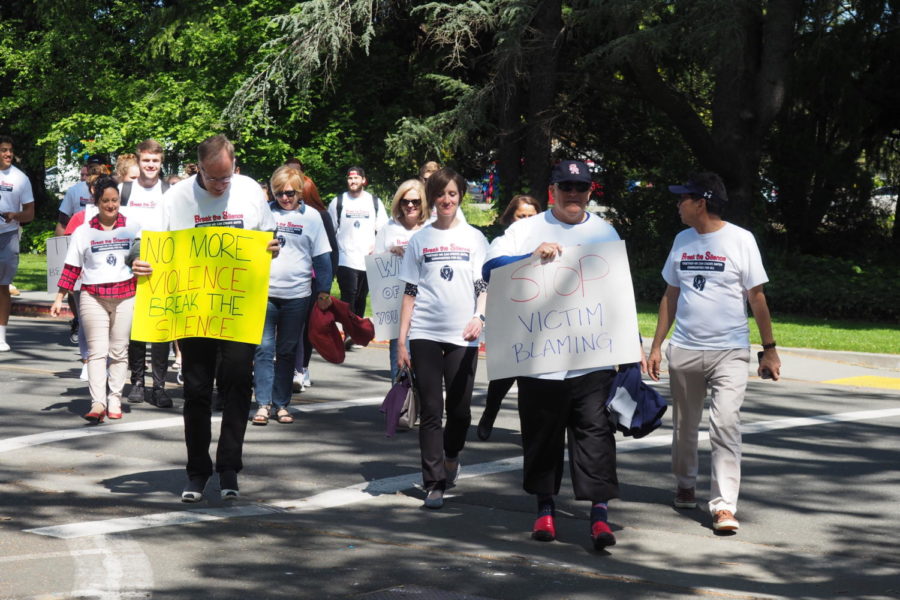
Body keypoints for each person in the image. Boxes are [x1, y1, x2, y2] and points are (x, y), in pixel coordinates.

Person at [483, 160, 638, 549]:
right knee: (542, 438)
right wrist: (529, 256)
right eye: (566, 186)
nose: (574, 193)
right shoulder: (525, 229)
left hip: (592, 361)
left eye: (581, 187)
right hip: (539, 361)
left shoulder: (604, 232)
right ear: (552, 189)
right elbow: (489, 266)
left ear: (590, 191)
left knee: (597, 437)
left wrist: (631, 353)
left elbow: (620, 293)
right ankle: (545, 509)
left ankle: (599, 516)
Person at [132, 134, 279, 503]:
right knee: (196, 390)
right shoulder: (176, 199)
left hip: (237, 310)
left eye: (227, 177)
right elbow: (144, 243)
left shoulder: (248, 191)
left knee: (236, 383)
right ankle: (197, 470)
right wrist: (134, 259)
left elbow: (269, 236)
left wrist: (274, 246)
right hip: (194, 311)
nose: (222, 185)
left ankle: (229, 467)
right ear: (198, 169)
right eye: (214, 179)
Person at [647, 172, 781, 533]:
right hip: (686, 349)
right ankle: (685, 482)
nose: (678, 205)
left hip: (730, 351)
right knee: (684, 426)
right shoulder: (681, 240)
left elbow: (757, 297)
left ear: (700, 202)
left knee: (725, 424)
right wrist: (657, 345)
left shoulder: (741, 240)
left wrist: (769, 351)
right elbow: (670, 295)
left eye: (682, 198)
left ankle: (724, 506)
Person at [397, 167, 488, 510]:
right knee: (432, 410)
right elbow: (409, 290)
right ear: (431, 198)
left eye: (452, 193)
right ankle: (434, 481)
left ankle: (452, 455)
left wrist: (480, 317)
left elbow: (483, 285)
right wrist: (403, 340)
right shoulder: (420, 240)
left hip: (463, 335)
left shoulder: (476, 238)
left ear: (460, 196)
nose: (446, 200)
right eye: (440, 194)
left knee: (460, 411)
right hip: (425, 332)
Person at [50, 176, 140, 422]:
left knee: (119, 351)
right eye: (105, 201)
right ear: (96, 202)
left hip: (126, 295)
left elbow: (142, 258)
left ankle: (115, 399)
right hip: (92, 296)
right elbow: (71, 268)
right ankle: (98, 402)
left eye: (115, 200)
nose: (111, 205)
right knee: (97, 352)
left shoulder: (133, 227)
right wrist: (59, 298)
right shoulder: (83, 231)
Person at [252, 166, 333, 426]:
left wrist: (323, 290)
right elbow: (247, 248)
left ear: (299, 192)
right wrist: (260, 247)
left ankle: (281, 404)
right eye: (278, 193)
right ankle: (263, 404)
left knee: (287, 351)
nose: (284, 198)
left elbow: (322, 257)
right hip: (265, 293)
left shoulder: (312, 217)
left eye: (289, 193)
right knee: (263, 350)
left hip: (297, 295)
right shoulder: (263, 214)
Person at [476, 194, 541, 440]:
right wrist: (531, 257)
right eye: (520, 216)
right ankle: (490, 412)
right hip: (509, 316)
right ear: (510, 218)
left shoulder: (550, 241)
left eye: (531, 217)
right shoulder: (502, 243)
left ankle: (531, 430)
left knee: (531, 377)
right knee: (505, 373)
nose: (525, 221)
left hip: (539, 320)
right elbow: (493, 267)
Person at [120, 140, 173, 408]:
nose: (150, 166)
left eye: (155, 161)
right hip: (130, 263)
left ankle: (159, 386)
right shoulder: (125, 190)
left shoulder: (170, 192)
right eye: (146, 161)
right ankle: (138, 381)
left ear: (161, 163)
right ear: (138, 162)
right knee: (135, 327)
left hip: (162, 263)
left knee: (161, 328)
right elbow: (114, 227)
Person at [375, 179, 430, 383]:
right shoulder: (388, 229)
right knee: (399, 361)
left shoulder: (431, 228)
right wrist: (389, 252)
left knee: (424, 363)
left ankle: (424, 407)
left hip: (427, 305)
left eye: (415, 201)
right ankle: (400, 408)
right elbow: (376, 264)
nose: (410, 206)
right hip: (397, 305)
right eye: (405, 202)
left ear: (423, 203)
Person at [327, 166, 388, 341]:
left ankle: (357, 330)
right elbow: (331, 231)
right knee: (349, 295)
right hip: (345, 257)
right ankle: (348, 332)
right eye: (349, 178)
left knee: (361, 296)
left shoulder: (374, 202)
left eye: (356, 178)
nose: (352, 181)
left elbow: (383, 229)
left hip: (367, 258)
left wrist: (377, 246)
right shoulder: (338, 202)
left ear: (363, 180)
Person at [292, 170, 338, 392]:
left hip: (312, 280)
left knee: (306, 328)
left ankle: (302, 367)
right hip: (291, 279)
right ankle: (295, 368)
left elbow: (331, 252)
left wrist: (325, 285)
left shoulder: (320, 216)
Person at [0, 135, 35, 352]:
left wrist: (16, 215)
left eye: (10, 150)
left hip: (8, 236)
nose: (8, 154)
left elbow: (30, 214)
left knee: (2, 286)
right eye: (3, 150)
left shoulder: (20, 178)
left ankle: (1, 336)